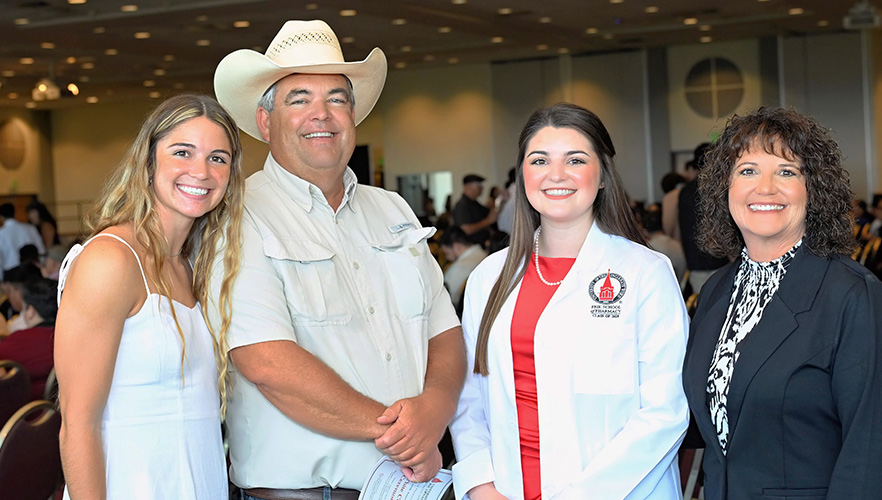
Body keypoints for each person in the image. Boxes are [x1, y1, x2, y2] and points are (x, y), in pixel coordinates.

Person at [210, 19, 465, 500]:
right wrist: (406, 438)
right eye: (299, 98)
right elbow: (268, 363)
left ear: (354, 115)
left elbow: (444, 332)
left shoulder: (391, 208)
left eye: (337, 98)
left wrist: (434, 408)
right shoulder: (236, 216)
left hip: (413, 485)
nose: (321, 114)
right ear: (265, 122)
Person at [449, 103, 689, 500]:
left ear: (602, 176)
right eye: (539, 160)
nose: (555, 175)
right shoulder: (488, 277)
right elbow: (470, 395)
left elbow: (665, 411)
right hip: (506, 490)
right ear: (522, 175)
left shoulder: (645, 272)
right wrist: (480, 485)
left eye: (575, 160)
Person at [682, 106, 882, 499]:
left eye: (787, 172)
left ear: (815, 189)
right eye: (748, 170)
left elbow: (869, 447)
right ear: (726, 188)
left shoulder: (853, 293)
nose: (766, 187)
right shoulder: (718, 290)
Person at [54, 94, 244, 499]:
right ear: (149, 160)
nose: (201, 171)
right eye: (182, 152)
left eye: (218, 158)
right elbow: (77, 424)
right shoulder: (110, 261)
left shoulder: (195, 266)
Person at [677, 143, 728, 293]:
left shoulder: (686, 191)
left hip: (695, 261)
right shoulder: (719, 187)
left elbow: (683, 227)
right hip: (721, 260)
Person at [0, 277, 57, 400]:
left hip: (24, 415)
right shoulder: (67, 336)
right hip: (57, 409)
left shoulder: (19, 342)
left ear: (31, 311)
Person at [439, 226, 488, 311]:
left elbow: (447, 297)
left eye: (447, 253)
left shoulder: (460, 267)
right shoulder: (485, 255)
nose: (447, 258)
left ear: (456, 246)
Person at [0, 202, 46, 279]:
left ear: (1, 217)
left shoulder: (1, 233)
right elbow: (41, 249)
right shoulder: (30, 228)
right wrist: (41, 266)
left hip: (10, 272)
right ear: (14, 213)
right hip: (32, 270)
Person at [454, 173, 498, 247]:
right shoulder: (462, 205)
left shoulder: (474, 203)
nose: (481, 188)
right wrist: (488, 221)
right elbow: (465, 229)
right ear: (468, 186)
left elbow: (488, 213)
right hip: (472, 246)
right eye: (478, 185)